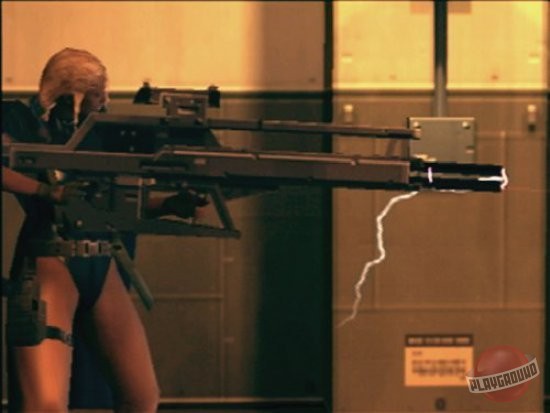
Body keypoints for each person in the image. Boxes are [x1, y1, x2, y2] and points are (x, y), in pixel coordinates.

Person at [2, 48, 204, 412]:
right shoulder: (21, 122)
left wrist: (170, 204)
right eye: (96, 92)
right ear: (71, 92)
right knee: (44, 405)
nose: (104, 99)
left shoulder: (96, 135)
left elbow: (112, 201)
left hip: (100, 262)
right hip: (51, 258)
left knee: (142, 398)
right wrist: (46, 191)